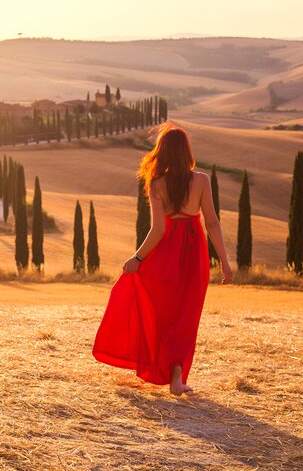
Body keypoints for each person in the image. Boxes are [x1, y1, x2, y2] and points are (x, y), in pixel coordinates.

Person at [92, 121, 232, 396]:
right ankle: (176, 377)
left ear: (162, 152)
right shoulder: (201, 180)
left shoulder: (156, 184)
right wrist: (225, 263)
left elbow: (158, 230)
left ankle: (167, 370)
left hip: (164, 254)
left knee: (162, 313)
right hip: (194, 255)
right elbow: (212, 224)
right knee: (186, 316)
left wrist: (137, 259)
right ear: (186, 151)